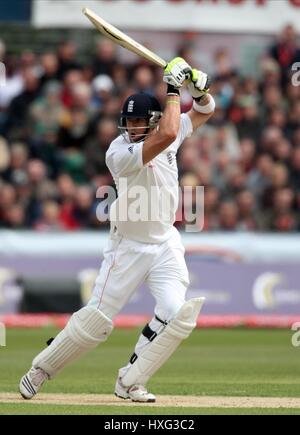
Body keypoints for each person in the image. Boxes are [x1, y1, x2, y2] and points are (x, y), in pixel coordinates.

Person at [19, 57, 215, 403]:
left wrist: (200, 91)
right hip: (128, 246)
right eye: (129, 121)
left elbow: (203, 113)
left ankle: (130, 382)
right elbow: (170, 131)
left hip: (165, 243)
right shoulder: (119, 152)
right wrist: (173, 87)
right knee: (97, 320)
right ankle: (41, 369)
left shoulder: (169, 129)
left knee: (178, 315)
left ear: (152, 120)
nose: (132, 127)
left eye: (140, 121)